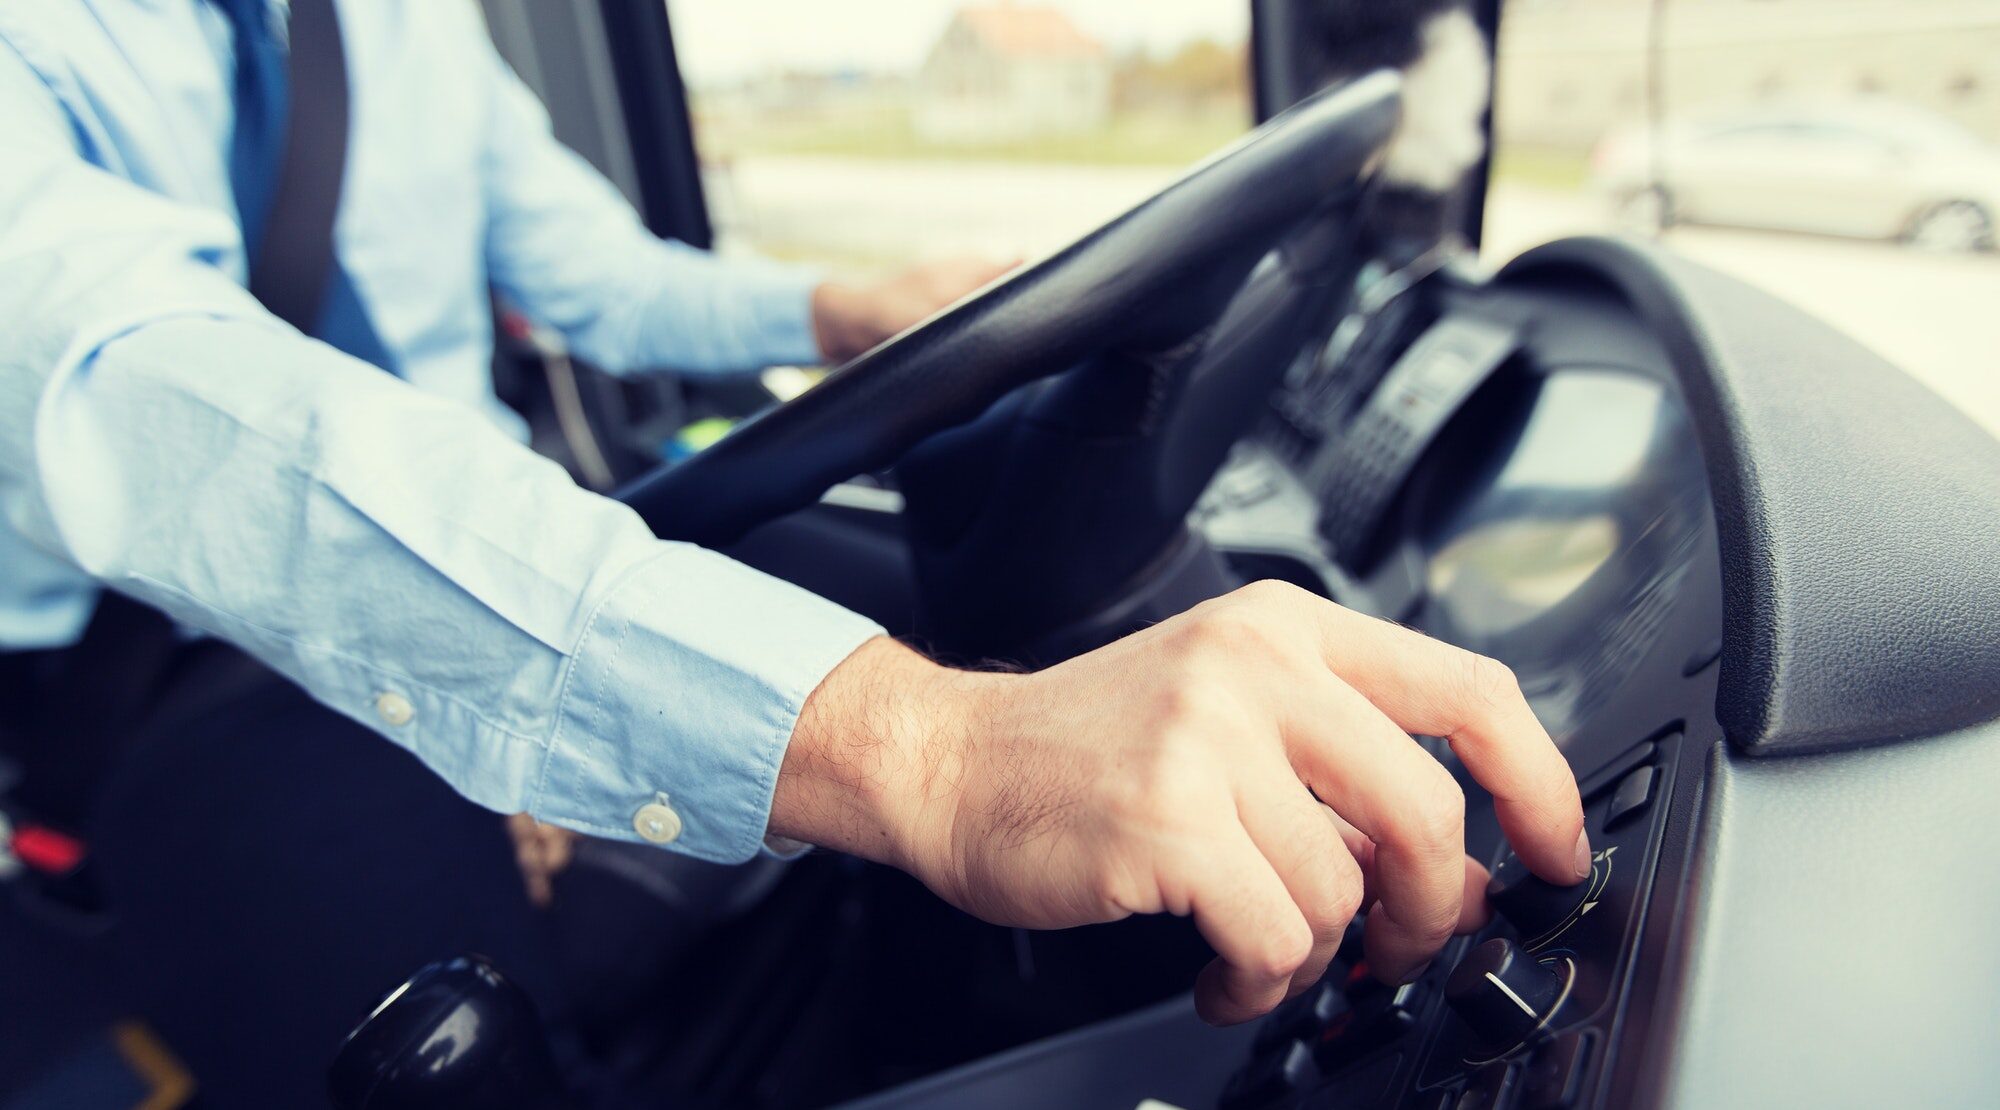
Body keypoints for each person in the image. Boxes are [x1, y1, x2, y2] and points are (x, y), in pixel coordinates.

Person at [0, 1, 1588, 1103]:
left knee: (921, 609)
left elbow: (603, 278)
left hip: (479, 526)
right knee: (329, 868)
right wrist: (939, 754)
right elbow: (159, 396)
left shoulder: (397, 22)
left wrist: (844, 309)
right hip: (164, 653)